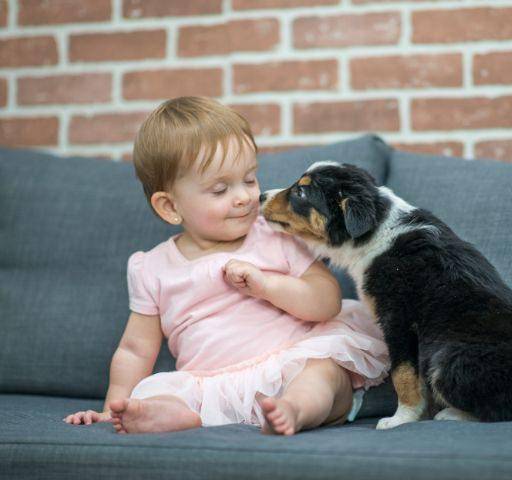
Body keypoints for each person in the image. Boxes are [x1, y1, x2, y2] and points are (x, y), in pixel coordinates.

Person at [63, 96, 389, 435]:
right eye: (221, 189)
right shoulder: (152, 268)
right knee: (159, 394)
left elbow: (326, 302)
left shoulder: (275, 235)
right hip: (213, 385)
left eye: (249, 179)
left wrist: (267, 286)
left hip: (292, 359)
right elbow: (134, 350)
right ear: (170, 207)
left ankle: (294, 408)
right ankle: (175, 415)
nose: (245, 197)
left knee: (323, 371)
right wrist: (109, 408)